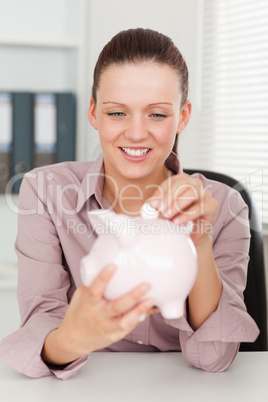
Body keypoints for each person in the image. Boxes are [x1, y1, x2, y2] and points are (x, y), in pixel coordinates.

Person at [0, 28, 259, 379]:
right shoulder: (45, 192)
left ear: (183, 116)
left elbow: (213, 357)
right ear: (93, 113)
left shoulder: (225, 206)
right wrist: (70, 340)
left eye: (157, 114)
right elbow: (42, 324)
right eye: (117, 113)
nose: (136, 133)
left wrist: (198, 240)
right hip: (84, 386)